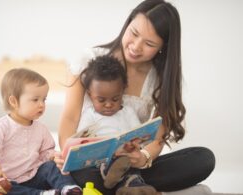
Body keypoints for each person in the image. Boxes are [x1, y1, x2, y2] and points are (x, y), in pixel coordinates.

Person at [55, 0, 215, 194]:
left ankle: (128, 184)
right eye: (134, 33)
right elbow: (70, 117)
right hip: (90, 166)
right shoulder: (90, 60)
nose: (136, 47)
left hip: (131, 164)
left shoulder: (159, 78)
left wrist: (145, 156)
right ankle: (135, 187)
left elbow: (157, 138)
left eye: (149, 44)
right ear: (127, 23)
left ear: (162, 47)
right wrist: (67, 154)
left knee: (203, 159)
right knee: (82, 174)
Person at [0, 68, 82, 195]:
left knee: (51, 166)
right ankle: (42, 194)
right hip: (6, 180)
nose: (41, 105)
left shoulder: (41, 129)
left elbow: (46, 152)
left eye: (44, 99)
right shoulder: (0, 127)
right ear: (14, 101)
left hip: (32, 177)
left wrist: (54, 156)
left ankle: (68, 188)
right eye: (35, 100)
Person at [76, 55, 159, 194]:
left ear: (123, 91)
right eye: (101, 100)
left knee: (130, 166)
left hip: (127, 158)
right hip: (99, 163)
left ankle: (132, 188)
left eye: (115, 99)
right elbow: (82, 141)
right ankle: (113, 177)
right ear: (90, 95)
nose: (108, 105)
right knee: (88, 171)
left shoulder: (128, 112)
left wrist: (136, 145)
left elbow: (138, 134)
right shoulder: (90, 115)